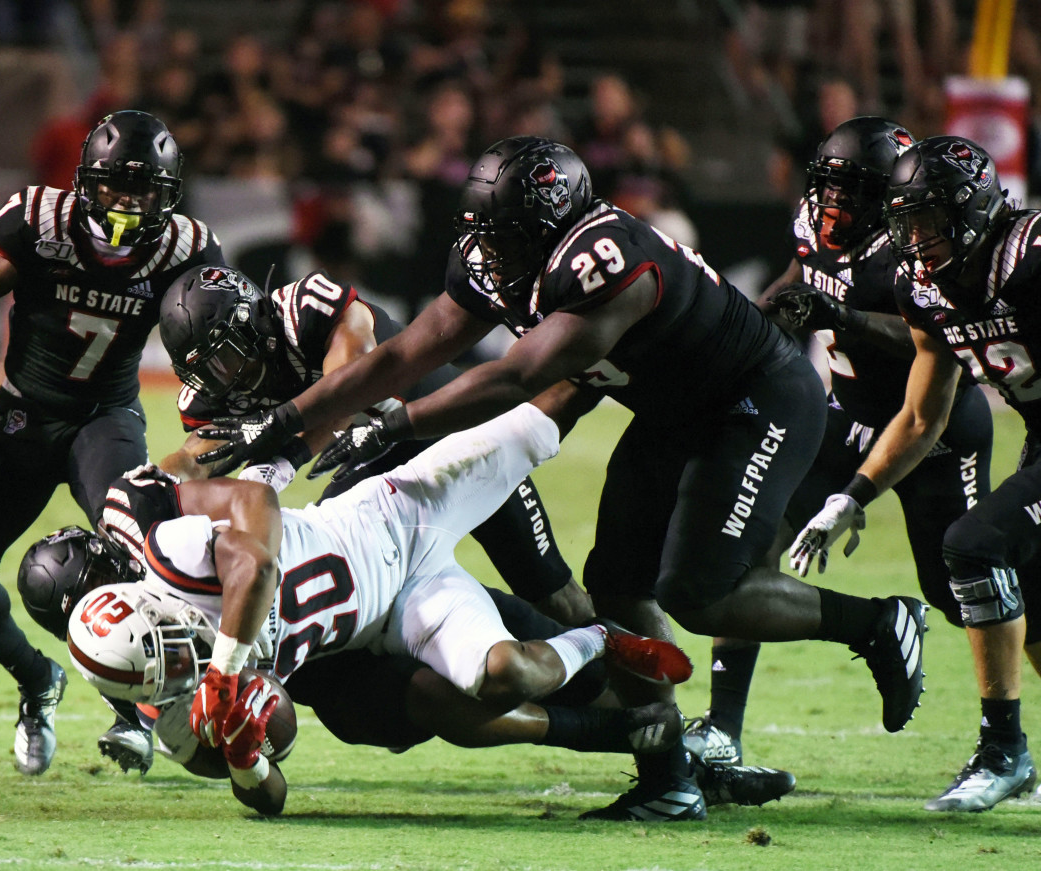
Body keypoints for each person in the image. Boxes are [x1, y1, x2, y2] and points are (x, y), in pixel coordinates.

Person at [184, 135, 928, 821]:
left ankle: (877, 622)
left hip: (754, 399)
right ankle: (667, 775)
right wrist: (285, 423)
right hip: (668, 408)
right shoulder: (496, 255)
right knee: (616, 588)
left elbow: (521, 373)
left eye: (506, 236)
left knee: (699, 592)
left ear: (552, 223)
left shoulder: (605, 256)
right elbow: (403, 355)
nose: (489, 253)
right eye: (481, 233)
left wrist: (395, 425)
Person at [40, 400, 793, 815]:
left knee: (539, 417)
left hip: (398, 510)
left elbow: (256, 531)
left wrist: (227, 664)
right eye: (169, 669)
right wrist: (245, 757)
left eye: (171, 642)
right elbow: (274, 778)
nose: (181, 658)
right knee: (500, 675)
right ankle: (600, 638)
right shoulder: (161, 701)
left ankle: (701, 364)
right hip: (400, 609)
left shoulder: (173, 553)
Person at [0, 110, 224, 776]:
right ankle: (36, 680)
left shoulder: (185, 249)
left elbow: (210, 343)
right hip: (24, 417)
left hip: (104, 420)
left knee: (145, 564)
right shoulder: (38, 224)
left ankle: (137, 714)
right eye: (114, 185)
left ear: (166, 193)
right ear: (88, 181)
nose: (125, 201)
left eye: (143, 189)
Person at [683, 117, 995, 766]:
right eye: (828, 185)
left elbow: (934, 341)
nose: (833, 202)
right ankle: (721, 725)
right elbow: (801, 278)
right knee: (752, 545)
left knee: (965, 589)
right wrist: (752, 324)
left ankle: (1005, 739)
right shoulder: (816, 222)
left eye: (852, 190)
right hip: (843, 418)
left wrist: (845, 317)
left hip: (930, 431)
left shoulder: (918, 241)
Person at [791, 136, 1041, 812]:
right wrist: (852, 494)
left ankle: (1003, 753)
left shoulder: (1031, 258)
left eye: (929, 222)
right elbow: (922, 415)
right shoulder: (923, 283)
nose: (917, 240)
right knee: (1029, 593)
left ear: (974, 210)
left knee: (974, 544)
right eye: (905, 224)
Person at [157, 263, 595, 627]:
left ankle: (626, 674)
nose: (219, 378)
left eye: (224, 356)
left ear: (252, 323)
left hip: (450, 436)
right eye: (204, 371)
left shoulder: (305, 309)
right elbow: (194, 457)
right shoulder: (211, 394)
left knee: (550, 591)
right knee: (349, 583)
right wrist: (149, 489)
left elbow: (352, 388)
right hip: (369, 466)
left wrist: (287, 459)